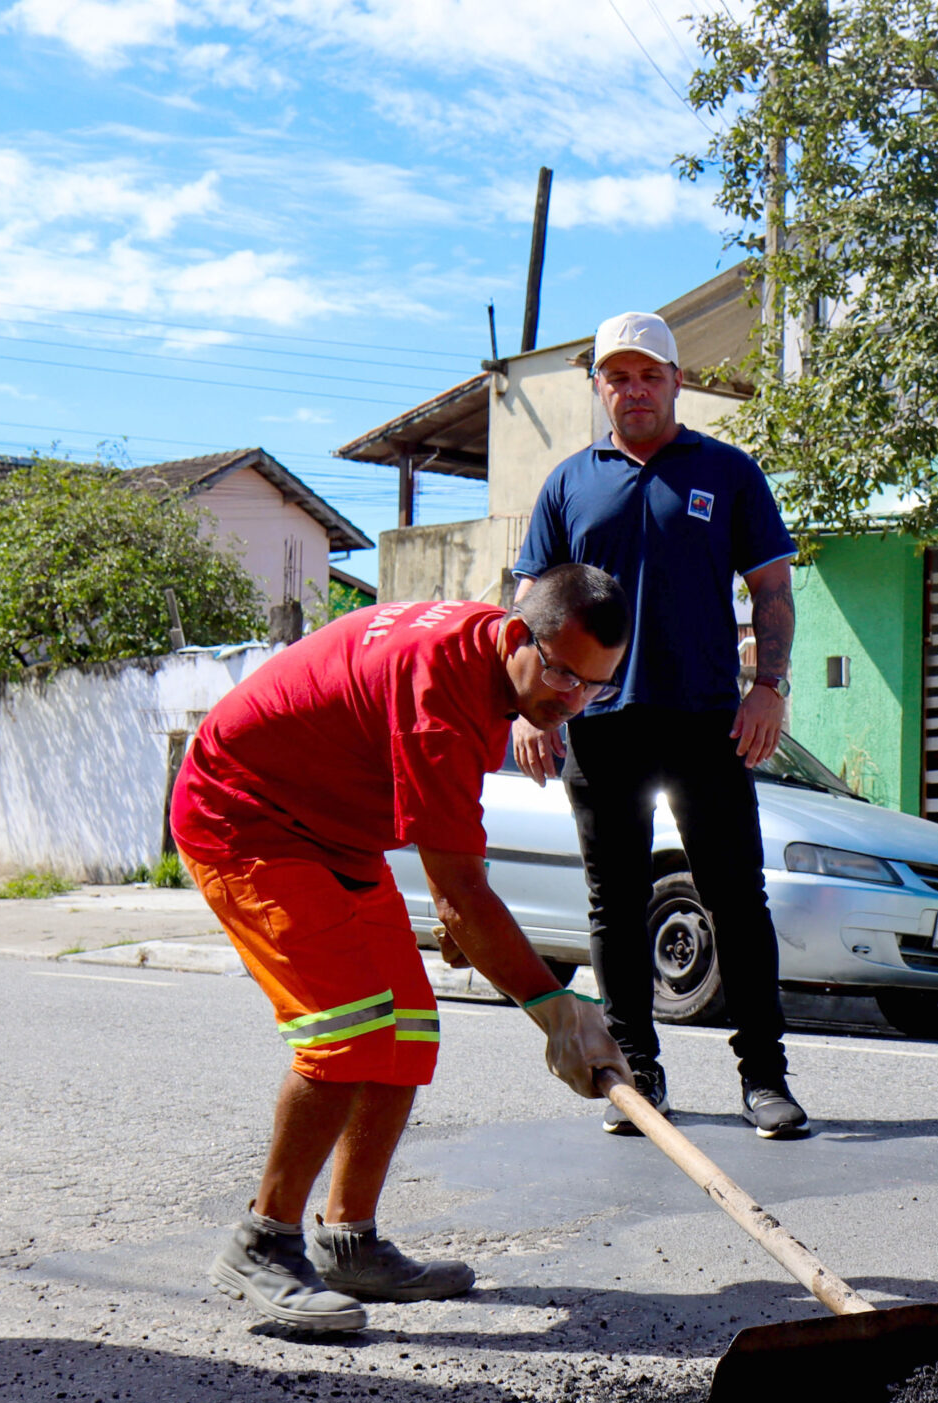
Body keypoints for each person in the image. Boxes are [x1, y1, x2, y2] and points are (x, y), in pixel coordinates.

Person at [171, 567, 633, 1334]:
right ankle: (262, 1242)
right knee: (347, 1030)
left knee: (409, 1028)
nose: (574, 700)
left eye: (597, 685)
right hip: (246, 816)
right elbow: (458, 892)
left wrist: (470, 916)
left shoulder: (491, 665)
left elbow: (455, 851)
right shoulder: (441, 695)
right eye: (563, 674)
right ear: (518, 634)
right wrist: (554, 1008)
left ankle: (349, 1242)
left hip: (338, 831)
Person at [511, 310, 809, 1140]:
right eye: (618, 376)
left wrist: (769, 686)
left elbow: (772, 589)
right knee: (615, 904)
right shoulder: (569, 484)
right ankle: (635, 1069)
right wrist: (530, 707)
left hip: (710, 723)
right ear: (599, 387)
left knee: (737, 901)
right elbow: (528, 607)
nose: (634, 389)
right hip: (601, 724)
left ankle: (764, 1076)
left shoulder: (728, 471)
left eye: (649, 375)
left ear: (677, 382)